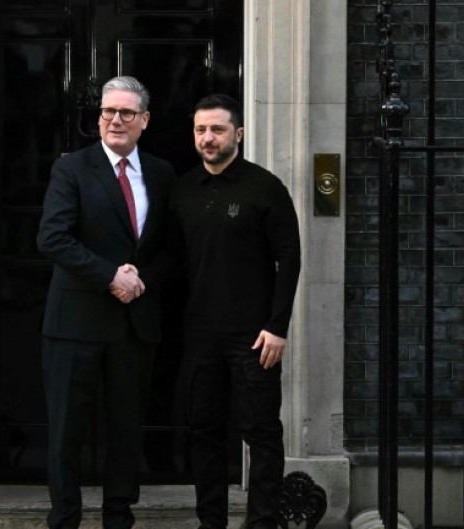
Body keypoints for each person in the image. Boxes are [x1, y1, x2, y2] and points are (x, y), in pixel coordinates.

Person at [36, 75, 175, 529]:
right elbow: (53, 238)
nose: (115, 119)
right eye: (107, 111)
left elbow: (171, 247)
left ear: (145, 120)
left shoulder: (161, 172)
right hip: (75, 322)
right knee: (66, 434)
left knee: (125, 430)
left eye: (126, 113)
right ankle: (65, 519)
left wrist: (138, 280)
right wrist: (110, 276)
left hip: (133, 325)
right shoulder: (71, 168)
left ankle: (119, 517)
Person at [171, 94, 301, 529]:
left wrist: (278, 326)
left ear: (238, 135)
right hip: (200, 336)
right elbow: (171, 261)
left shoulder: (265, 188)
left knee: (261, 435)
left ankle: (262, 523)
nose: (208, 138)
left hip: (254, 338)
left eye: (218, 129)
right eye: (200, 130)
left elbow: (290, 258)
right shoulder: (183, 189)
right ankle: (212, 523)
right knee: (203, 435)